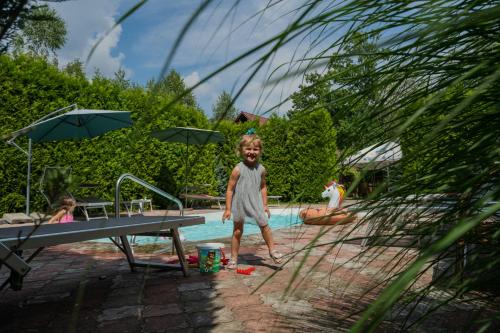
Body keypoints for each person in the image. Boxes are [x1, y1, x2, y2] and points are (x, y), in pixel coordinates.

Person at [222, 131, 283, 269]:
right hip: (240, 205)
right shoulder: (237, 169)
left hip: (255, 204)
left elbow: (263, 187)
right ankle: (233, 258)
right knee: (237, 231)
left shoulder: (261, 169)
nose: (251, 152)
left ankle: (272, 250)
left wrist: (265, 205)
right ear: (241, 150)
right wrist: (227, 209)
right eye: (248, 149)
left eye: (255, 149)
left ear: (260, 151)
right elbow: (230, 189)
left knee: (265, 226)